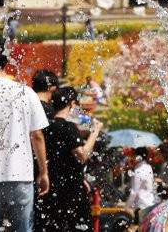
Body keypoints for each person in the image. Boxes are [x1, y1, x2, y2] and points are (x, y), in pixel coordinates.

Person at [0, 38, 50, 232]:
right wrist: (43, 171)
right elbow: (37, 136)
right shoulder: (25, 93)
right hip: (20, 174)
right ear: (6, 62)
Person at [35, 86, 104, 231]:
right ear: (72, 104)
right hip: (70, 191)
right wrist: (95, 132)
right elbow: (82, 155)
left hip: (48, 189)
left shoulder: (44, 127)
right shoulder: (68, 127)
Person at [126, 147, 159, 216]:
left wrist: (126, 206)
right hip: (150, 202)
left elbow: (134, 191)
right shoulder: (148, 167)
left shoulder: (138, 170)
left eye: (133, 155)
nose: (132, 157)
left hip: (142, 206)